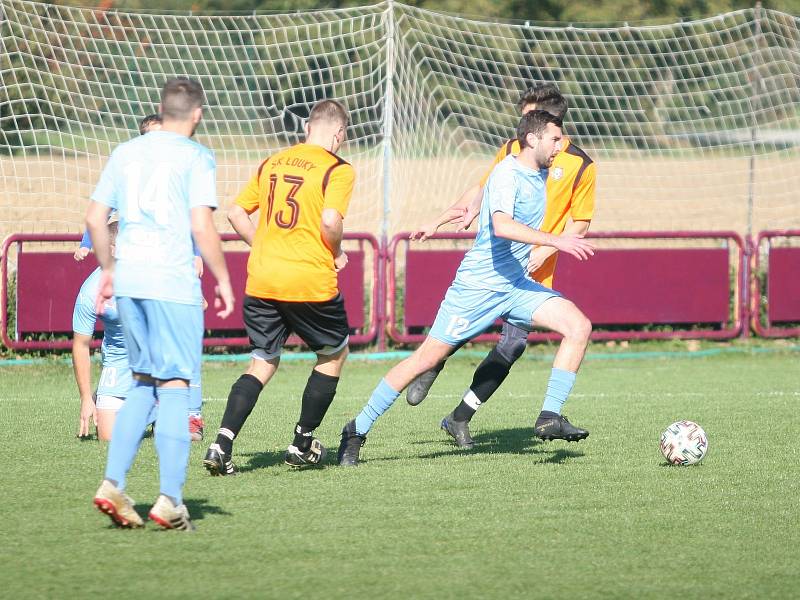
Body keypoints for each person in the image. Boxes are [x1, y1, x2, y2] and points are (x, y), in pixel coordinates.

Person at [338, 110, 594, 466]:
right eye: (554, 138)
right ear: (533, 138)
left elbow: (477, 194)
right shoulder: (508, 173)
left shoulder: (544, 170)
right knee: (423, 359)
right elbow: (502, 225)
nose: (560, 145)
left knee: (579, 327)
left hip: (515, 284)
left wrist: (455, 214)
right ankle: (356, 429)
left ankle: (549, 416)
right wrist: (556, 241)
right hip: (478, 287)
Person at [407, 83, 596, 449]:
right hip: (497, 263)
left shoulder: (582, 165)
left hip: (534, 270)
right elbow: (482, 190)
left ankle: (459, 416)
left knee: (512, 346)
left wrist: (546, 250)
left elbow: (581, 221)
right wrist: (441, 219)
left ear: (549, 121)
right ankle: (435, 361)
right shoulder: (512, 151)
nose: (521, 123)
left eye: (528, 115)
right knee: (463, 327)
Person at [87, 77, 234, 531]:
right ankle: (170, 499)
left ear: (161, 109)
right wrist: (225, 277)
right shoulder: (196, 155)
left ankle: (113, 483)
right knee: (174, 387)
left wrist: (109, 269)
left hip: (129, 281)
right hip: (172, 285)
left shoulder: (127, 151)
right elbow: (202, 224)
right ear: (197, 113)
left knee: (144, 383)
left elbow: (94, 217)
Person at [203, 99, 354, 475]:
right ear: (339, 134)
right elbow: (331, 219)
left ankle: (222, 443)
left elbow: (235, 212)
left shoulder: (272, 162)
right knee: (334, 355)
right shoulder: (338, 169)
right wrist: (335, 251)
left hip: (263, 278)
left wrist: (265, 246)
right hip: (308, 280)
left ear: (307, 129)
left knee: (262, 361)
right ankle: (302, 442)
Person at [74, 114, 163, 262]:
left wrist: (196, 255)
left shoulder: (177, 172)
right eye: (154, 136)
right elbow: (100, 213)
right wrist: (85, 245)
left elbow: (190, 217)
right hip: (134, 257)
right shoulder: (129, 175)